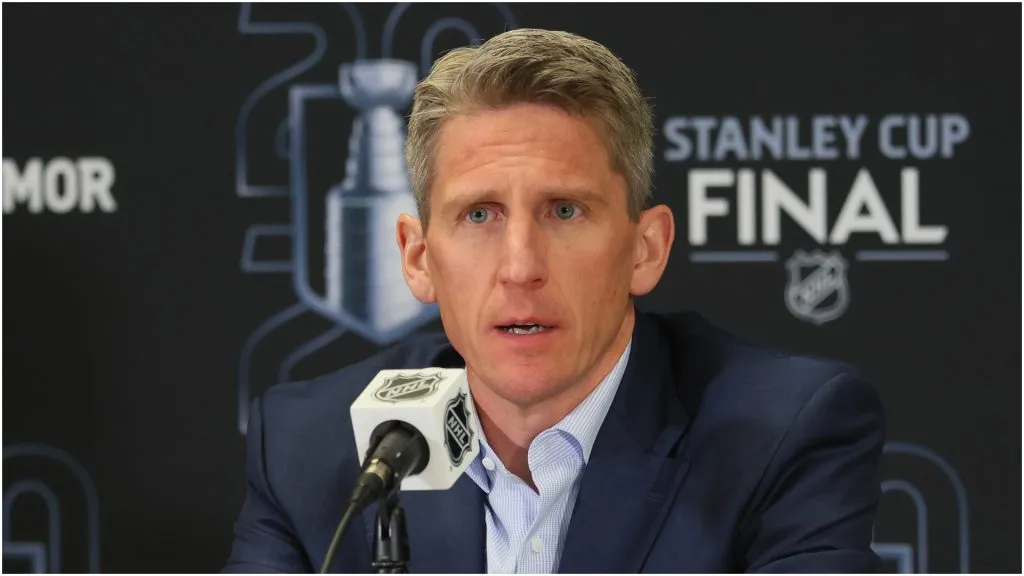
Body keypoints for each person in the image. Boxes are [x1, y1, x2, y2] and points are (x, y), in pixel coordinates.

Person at [224, 28, 886, 574]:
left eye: (564, 210)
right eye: (480, 215)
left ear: (645, 248)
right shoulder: (314, 450)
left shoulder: (778, 436)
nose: (520, 267)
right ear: (419, 258)